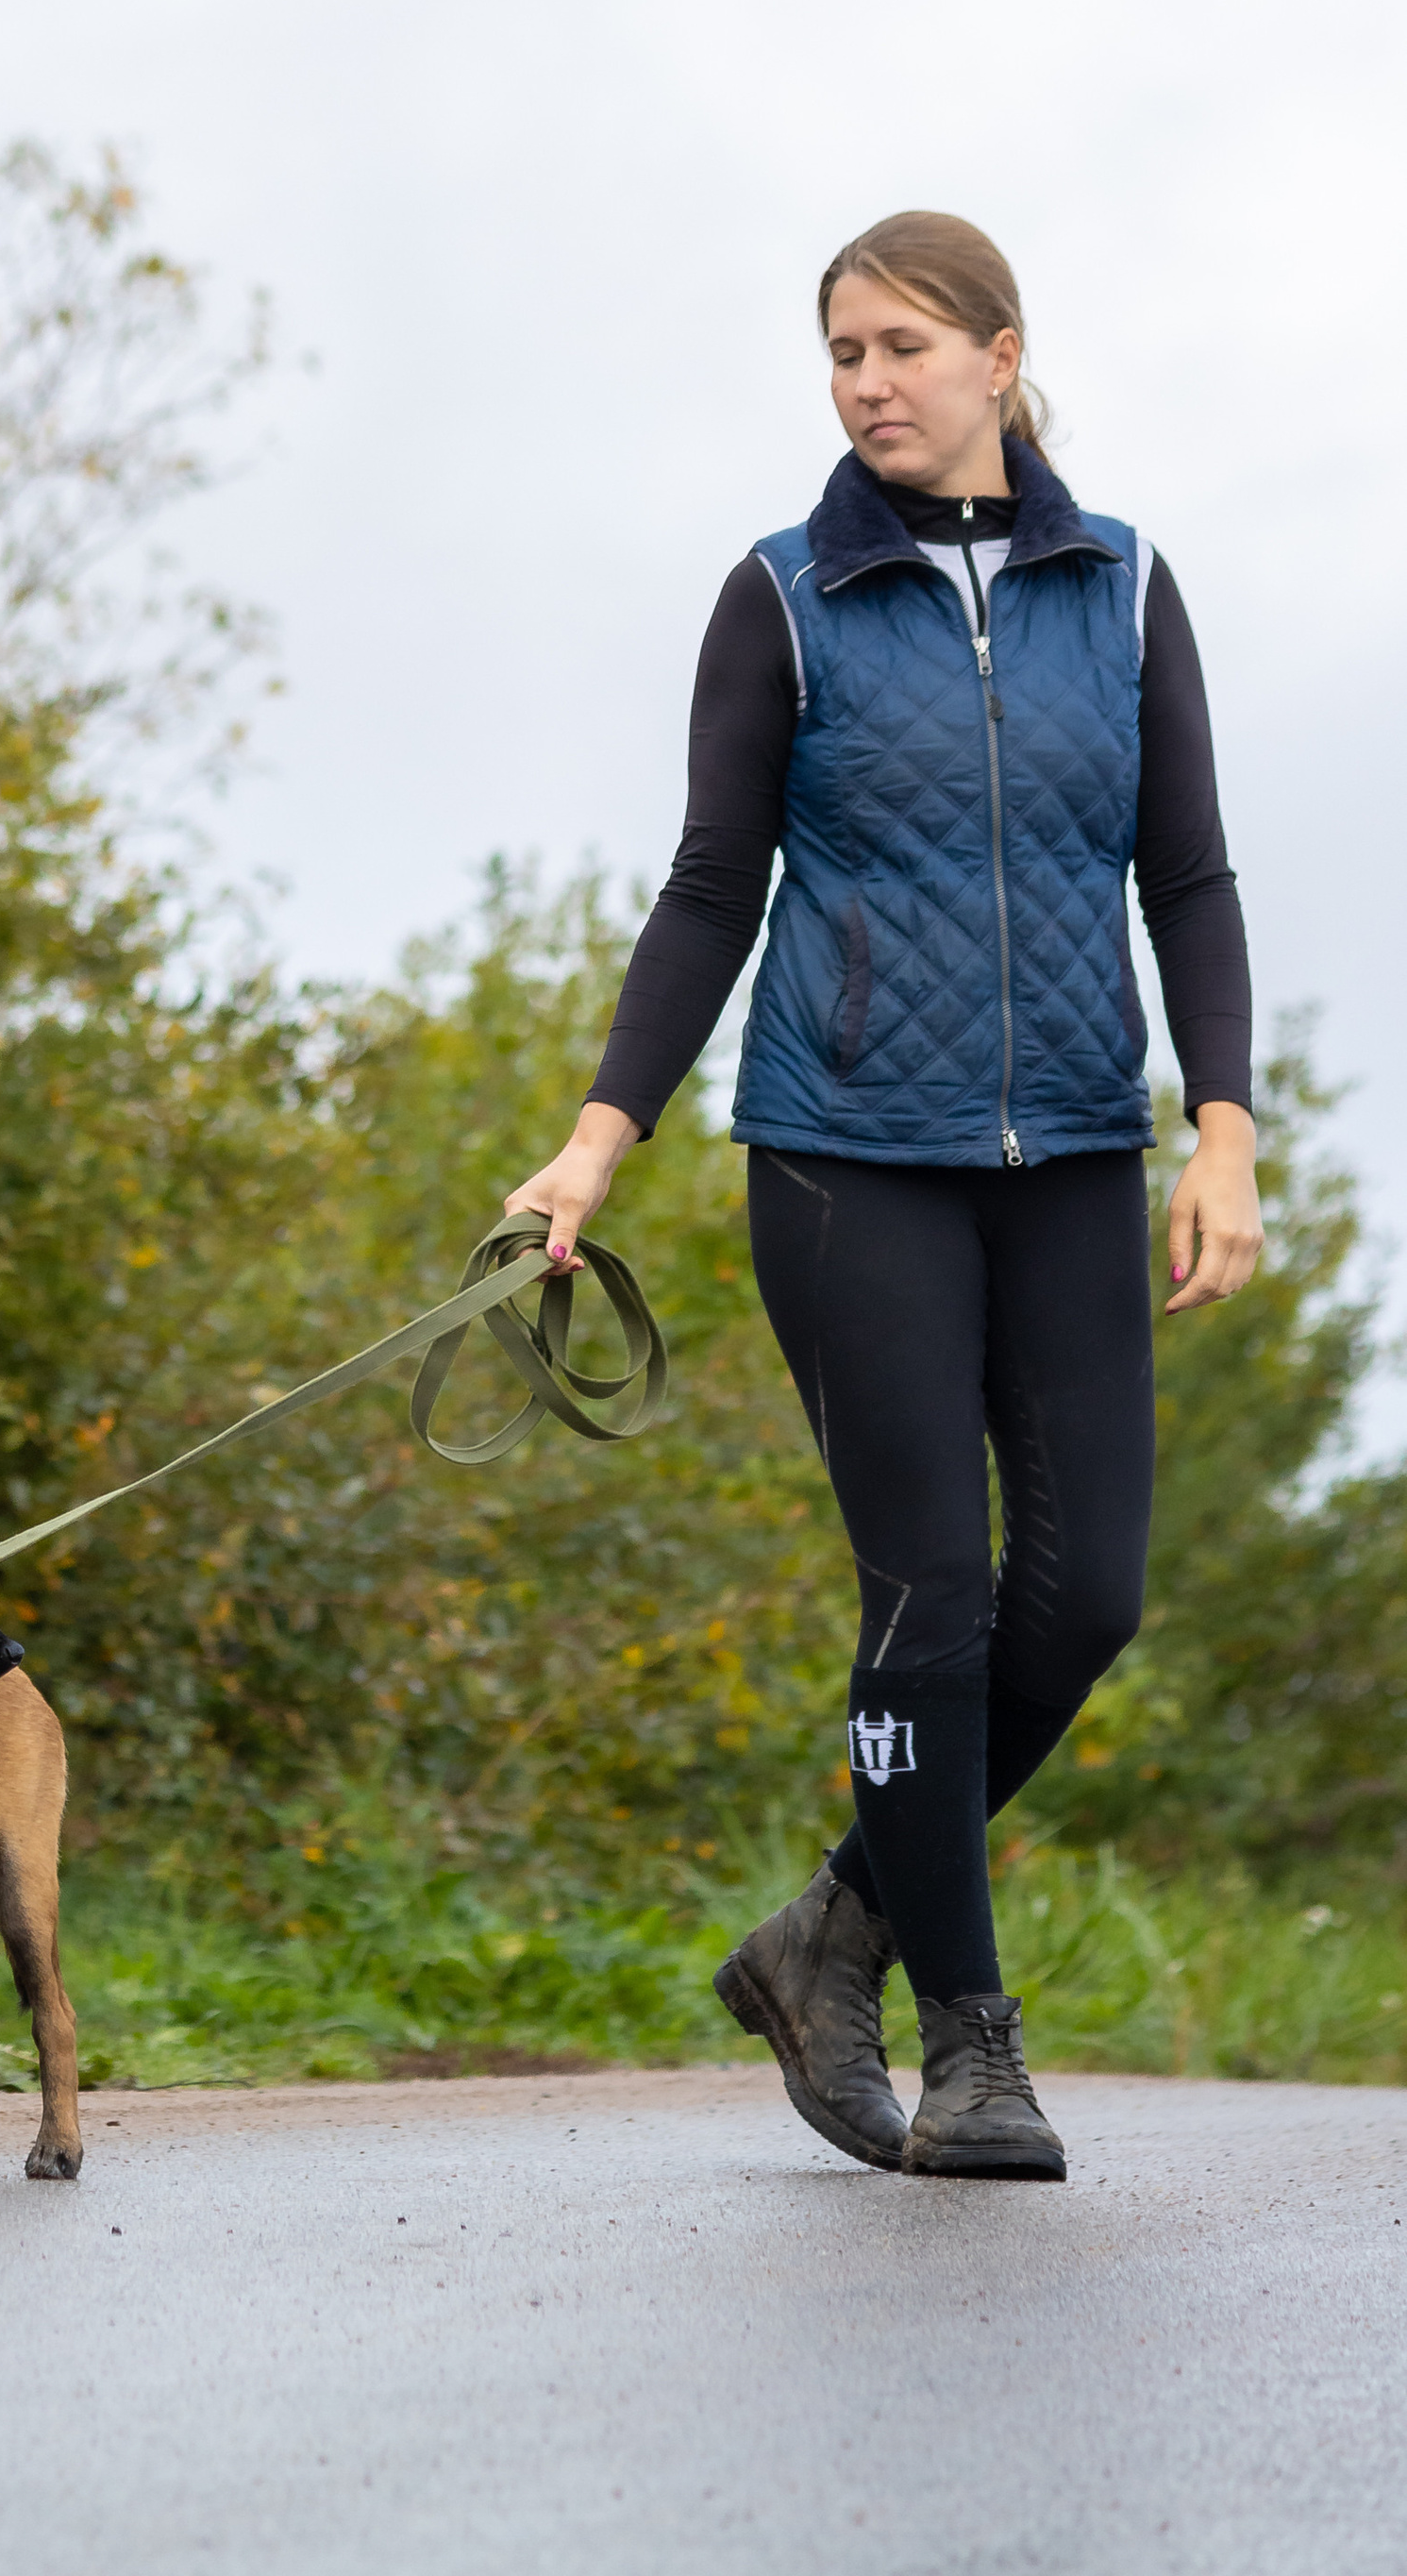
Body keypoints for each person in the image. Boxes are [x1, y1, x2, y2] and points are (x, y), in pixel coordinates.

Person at [506, 211, 1261, 2180]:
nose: (866, 383)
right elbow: (709, 889)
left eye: (903, 345)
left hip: (1071, 1150)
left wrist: (1223, 1131)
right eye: (842, 351)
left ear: (1000, 356)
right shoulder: (784, 596)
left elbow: (1185, 875)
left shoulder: (1124, 588)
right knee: (926, 1601)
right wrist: (598, 1136)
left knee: (1086, 1596)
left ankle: (828, 1929)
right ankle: (970, 2047)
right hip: (847, 1160)